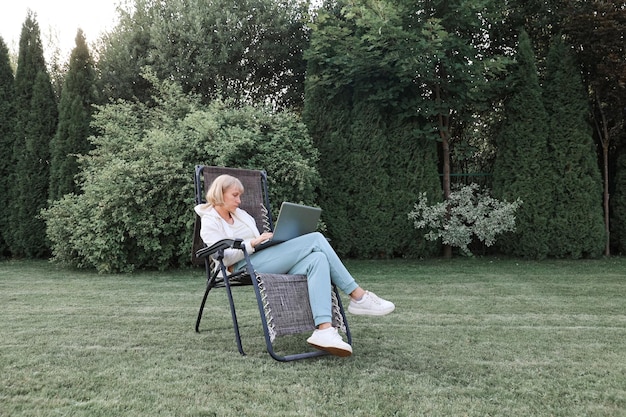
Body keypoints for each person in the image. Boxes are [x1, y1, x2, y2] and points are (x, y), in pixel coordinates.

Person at [194, 174, 395, 357]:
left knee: (318, 259)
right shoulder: (209, 220)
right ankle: (358, 296)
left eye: (240, 196)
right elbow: (223, 257)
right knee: (316, 239)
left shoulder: (242, 215)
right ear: (220, 194)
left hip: (262, 259)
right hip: (238, 267)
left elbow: (258, 244)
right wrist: (253, 243)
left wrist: (270, 241)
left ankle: (324, 330)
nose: (239, 201)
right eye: (235, 195)